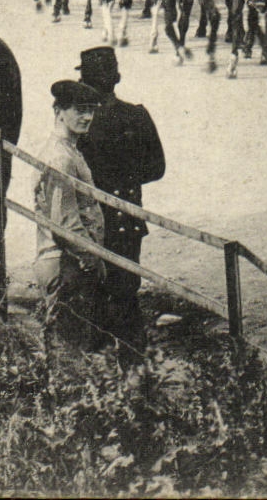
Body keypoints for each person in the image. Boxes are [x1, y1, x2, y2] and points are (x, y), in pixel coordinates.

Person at [73, 46, 166, 359]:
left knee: (92, 293)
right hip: (126, 218)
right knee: (126, 291)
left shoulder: (80, 123)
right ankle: (133, 361)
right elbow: (157, 168)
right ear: (117, 77)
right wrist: (124, 179)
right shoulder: (136, 115)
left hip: (88, 219)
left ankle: (98, 363)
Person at [34, 79, 108, 353]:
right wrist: (93, 258)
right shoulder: (60, 157)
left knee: (74, 348)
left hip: (72, 264)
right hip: (67, 265)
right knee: (72, 351)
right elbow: (64, 223)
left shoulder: (68, 151)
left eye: (91, 109)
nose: (88, 117)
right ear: (59, 111)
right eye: (80, 109)